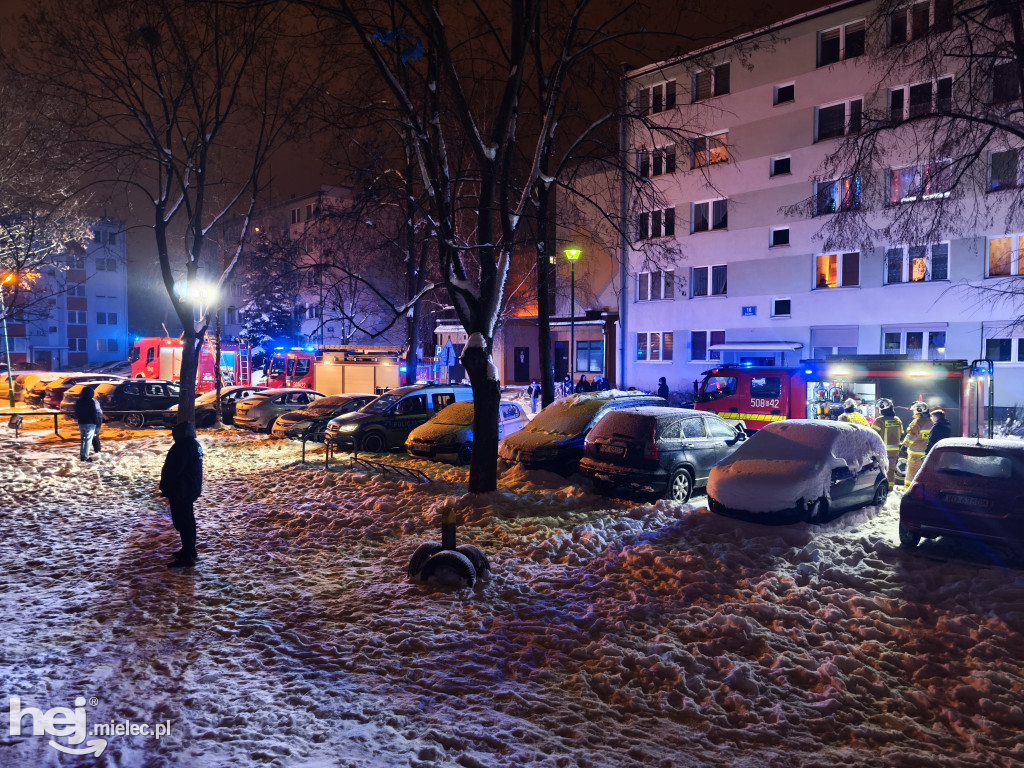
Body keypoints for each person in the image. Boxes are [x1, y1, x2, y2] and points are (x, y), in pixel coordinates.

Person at [160, 421, 204, 569]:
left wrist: (166, 486)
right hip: (189, 488)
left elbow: (174, 470)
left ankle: (187, 555)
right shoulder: (193, 444)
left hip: (181, 489)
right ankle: (189, 550)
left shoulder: (183, 446)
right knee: (187, 521)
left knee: (183, 522)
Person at [871, 398, 903, 487]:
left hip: (883, 450)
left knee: (881, 470)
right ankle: (890, 488)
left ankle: (882, 489)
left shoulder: (879, 420)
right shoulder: (897, 420)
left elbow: (872, 435)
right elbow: (901, 433)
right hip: (895, 450)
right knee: (891, 470)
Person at [901, 401, 931, 487]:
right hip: (927, 453)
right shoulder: (931, 422)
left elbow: (911, 436)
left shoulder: (917, 422)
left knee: (912, 471)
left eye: (914, 410)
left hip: (915, 454)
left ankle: (908, 489)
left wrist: (904, 446)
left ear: (918, 410)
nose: (913, 412)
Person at [73, 386, 103, 462]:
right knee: (88, 440)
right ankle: (85, 457)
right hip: (90, 423)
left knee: (83, 440)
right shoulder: (91, 401)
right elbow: (93, 412)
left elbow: (76, 412)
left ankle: (82, 455)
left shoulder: (79, 401)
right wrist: (96, 421)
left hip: (81, 422)